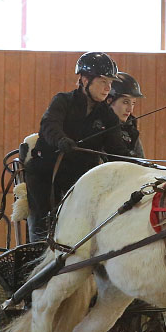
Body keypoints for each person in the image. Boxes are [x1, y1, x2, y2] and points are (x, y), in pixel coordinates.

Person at [25, 52, 130, 240]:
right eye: (102, 81)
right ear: (84, 79)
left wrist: (138, 165)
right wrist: (61, 140)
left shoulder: (108, 116)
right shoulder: (62, 101)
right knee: (42, 226)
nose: (108, 88)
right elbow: (49, 125)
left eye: (110, 83)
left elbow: (117, 152)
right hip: (46, 176)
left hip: (81, 181)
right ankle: (37, 248)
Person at [106, 72, 145, 158]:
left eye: (133, 103)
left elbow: (142, 163)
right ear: (109, 101)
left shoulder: (131, 129)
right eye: (125, 102)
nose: (130, 109)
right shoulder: (97, 125)